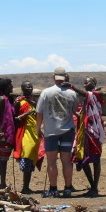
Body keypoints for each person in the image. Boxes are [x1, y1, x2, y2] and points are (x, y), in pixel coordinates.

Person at [36, 67, 78, 198]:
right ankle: (67, 189)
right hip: (67, 130)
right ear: (65, 77)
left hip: (51, 131)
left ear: (54, 77)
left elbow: (39, 113)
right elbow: (75, 110)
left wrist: (38, 128)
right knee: (66, 161)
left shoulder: (46, 92)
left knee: (52, 161)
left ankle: (53, 189)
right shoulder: (72, 94)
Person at [62, 77, 105, 197]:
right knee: (82, 157)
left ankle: (95, 187)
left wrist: (71, 86)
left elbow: (85, 93)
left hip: (94, 131)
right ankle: (92, 186)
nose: (85, 84)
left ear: (94, 83)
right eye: (84, 82)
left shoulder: (97, 94)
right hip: (84, 130)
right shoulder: (87, 99)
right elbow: (83, 114)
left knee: (96, 158)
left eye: (88, 82)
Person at [13, 81, 43, 194]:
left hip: (35, 133)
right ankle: (25, 187)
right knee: (26, 156)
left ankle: (26, 187)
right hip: (24, 133)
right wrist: (25, 114)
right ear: (22, 88)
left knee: (31, 158)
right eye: (27, 86)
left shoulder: (34, 102)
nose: (30, 88)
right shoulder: (18, 102)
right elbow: (13, 118)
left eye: (31, 86)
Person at [0, 78, 15, 189]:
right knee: (3, 160)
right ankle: (2, 183)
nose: (12, 86)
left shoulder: (7, 99)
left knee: (0, 158)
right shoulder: (2, 99)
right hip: (4, 133)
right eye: (10, 85)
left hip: (8, 132)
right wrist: (1, 133)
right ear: (6, 87)